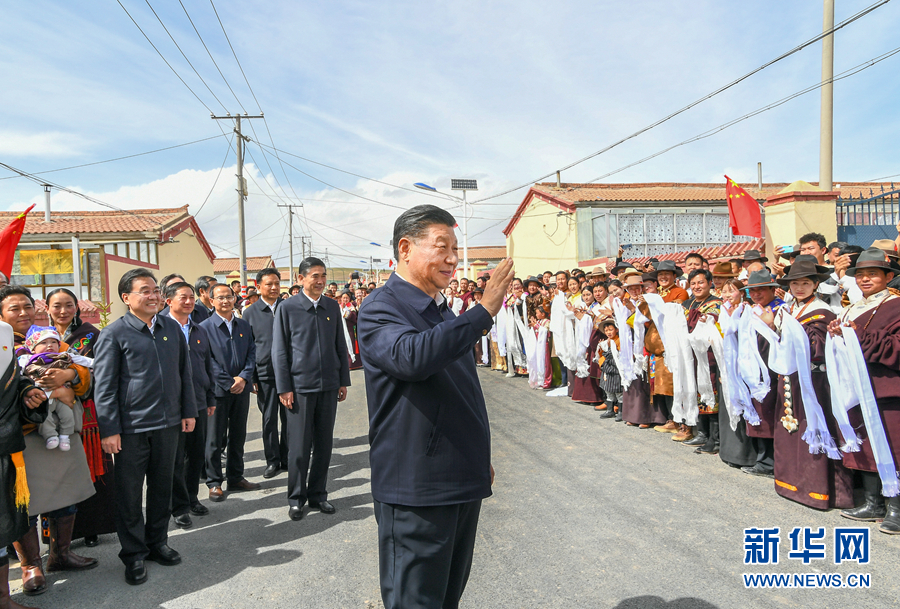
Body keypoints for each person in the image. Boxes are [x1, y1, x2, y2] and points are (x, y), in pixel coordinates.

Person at [358, 204, 514, 609]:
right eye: (441, 247)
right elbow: (411, 358)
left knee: (446, 598)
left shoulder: (439, 308)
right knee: (416, 601)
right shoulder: (382, 306)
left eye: (455, 249)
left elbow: (460, 393)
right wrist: (482, 312)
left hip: (459, 476)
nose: (452, 258)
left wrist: (476, 458)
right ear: (405, 248)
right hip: (418, 486)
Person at [94, 269, 196, 585]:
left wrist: (188, 411)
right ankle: (134, 554)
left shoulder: (171, 328)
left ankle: (157, 543)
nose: (153, 296)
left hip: (168, 424)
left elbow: (184, 373)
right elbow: (104, 387)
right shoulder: (113, 334)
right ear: (127, 298)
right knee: (129, 494)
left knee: (162, 487)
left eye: (155, 290)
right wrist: (109, 429)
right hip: (131, 429)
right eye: (145, 291)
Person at [0, 286, 97, 597]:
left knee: (66, 495)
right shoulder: (3, 347)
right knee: (24, 502)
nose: (23, 313)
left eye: (28, 306)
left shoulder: (53, 340)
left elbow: (84, 375)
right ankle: (31, 564)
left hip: (63, 431)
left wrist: (69, 378)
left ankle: (61, 554)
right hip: (23, 435)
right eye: (14, 308)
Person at [757, 258, 853, 509]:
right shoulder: (786, 310)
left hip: (813, 380)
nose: (799, 288)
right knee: (790, 429)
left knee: (813, 426)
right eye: (795, 284)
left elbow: (818, 347)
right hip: (788, 378)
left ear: (816, 284)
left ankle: (817, 489)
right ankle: (790, 483)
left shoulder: (822, 312)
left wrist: (788, 335)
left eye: (805, 283)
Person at [272, 257, 350, 521]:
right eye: (315, 276)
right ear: (300, 278)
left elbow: (340, 344)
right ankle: (296, 499)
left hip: (328, 386)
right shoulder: (287, 308)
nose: (320, 281)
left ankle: (318, 495)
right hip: (300, 388)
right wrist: (284, 387)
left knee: (324, 445)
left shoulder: (331, 306)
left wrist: (342, 380)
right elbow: (279, 351)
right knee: (299, 447)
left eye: (323, 276)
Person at [828, 248, 900, 533]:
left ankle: (896, 508)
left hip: (885, 387)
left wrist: (861, 334)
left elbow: (896, 347)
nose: (865, 279)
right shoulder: (852, 307)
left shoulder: (895, 306)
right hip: (856, 386)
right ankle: (873, 502)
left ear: (889, 277)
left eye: (873, 274)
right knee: (865, 445)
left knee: (892, 446)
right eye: (860, 275)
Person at [45, 287, 113, 548]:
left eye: (69, 305)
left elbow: (103, 370)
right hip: (50, 414)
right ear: (47, 308)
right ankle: (58, 538)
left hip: (86, 412)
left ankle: (91, 527)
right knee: (55, 474)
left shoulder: (91, 335)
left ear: (77, 308)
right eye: (57, 305)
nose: (63, 311)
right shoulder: (40, 337)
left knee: (89, 470)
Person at [0, 317, 47, 608]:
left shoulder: (3, 331)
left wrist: (27, 390)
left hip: (6, 447)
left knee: (4, 522)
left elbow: (12, 380)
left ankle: (3, 598)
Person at [165, 282, 216, 528]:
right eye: (183, 297)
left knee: (196, 455)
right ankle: (178, 506)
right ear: (168, 301)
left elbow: (207, 365)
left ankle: (192, 498)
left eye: (191, 297)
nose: (189, 302)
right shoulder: (161, 329)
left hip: (198, 401)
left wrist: (210, 397)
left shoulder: (199, 330)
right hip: (172, 405)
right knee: (176, 457)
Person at [200, 284, 259, 502]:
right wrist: (227, 382)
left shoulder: (243, 325)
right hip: (217, 391)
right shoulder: (204, 328)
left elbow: (252, 352)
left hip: (241, 389)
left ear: (235, 298)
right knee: (215, 438)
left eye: (229, 297)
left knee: (238, 435)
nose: (225, 301)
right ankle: (214, 482)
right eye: (220, 297)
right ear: (211, 301)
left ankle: (236, 477)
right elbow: (207, 360)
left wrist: (243, 378)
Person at [242, 268, 288, 479]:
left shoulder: (288, 307)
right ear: (259, 286)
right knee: (269, 419)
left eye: (277, 283)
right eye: (269, 284)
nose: (274, 287)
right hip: (265, 374)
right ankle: (272, 460)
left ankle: (287, 457)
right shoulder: (250, 313)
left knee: (290, 418)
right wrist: (252, 377)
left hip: (288, 373)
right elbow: (248, 347)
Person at [742, 269, 785, 478]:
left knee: (770, 414)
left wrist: (771, 326)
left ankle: (770, 462)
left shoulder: (781, 309)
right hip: (754, 370)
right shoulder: (752, 309)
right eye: (752, 291)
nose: (756, 294)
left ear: (772, 290)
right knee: (758, 413)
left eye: (761, 290)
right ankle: (761, 458)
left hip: (772, 370)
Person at [17, 328, 87, 450]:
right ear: (32, 348)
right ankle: (50, 436)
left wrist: (70, 374)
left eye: (53, 342)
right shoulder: (27, 358)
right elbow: (17, 374)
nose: (49, 345)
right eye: (43, 342)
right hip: (42, 397)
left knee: (67, 415)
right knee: (45, 417)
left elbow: (85, 362)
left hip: (63, 398)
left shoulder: (64, 355)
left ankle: (65, 436)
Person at [681, 269, 723, 454]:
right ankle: (702, 433)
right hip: (693, 355)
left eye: (701, 282)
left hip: (709, 356)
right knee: (696, 392)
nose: (697, 286)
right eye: (693, 283)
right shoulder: (688, 304)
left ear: (709, 283)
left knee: (710, 393)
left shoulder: (716, 304)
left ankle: (716, 439)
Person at [339, 290, 363, 371]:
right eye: (344, 298)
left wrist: (344, 311)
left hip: (351, 329)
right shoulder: (339, 306)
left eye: (346, 298)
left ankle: (354, 364)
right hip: (343, 329)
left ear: (349, 299)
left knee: (352, 345)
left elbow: (354, 317)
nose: (345, 300)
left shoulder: (351, 306)